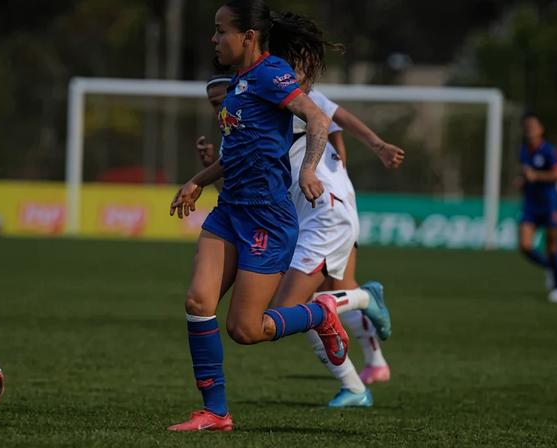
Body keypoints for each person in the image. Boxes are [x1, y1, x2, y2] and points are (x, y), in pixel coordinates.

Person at [194, 25, 404, 409]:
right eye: (213, 104)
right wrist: (208, 172)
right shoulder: (241, 127)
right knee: (310, 302)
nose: (219, 107)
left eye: (221, 98)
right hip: (304, 217)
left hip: (325, 214)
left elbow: (332, 117)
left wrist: (374, 145)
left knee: (288, 310)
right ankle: (359, 380)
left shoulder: (280, 92)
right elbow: (241, 187)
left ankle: (362, 303)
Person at [167, 1, 346, 432]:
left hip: (267, 218)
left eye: (221, 30)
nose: (214, 39)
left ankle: (320, 313)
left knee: (245, 329)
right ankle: (216, 413)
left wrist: (307, 169)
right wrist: (198, 181)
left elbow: (318, 119)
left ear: (248, 36)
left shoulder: (270, 73)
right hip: (229, 211)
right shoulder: (238, 82)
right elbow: (236, 152)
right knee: (197, 302)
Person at [517, 112, 557, 303]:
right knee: (524, 245)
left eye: (533, 125)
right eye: (527, 126)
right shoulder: (523, 151)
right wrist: (522, 181)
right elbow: (528, 176)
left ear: (540, 129)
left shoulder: (549, 151)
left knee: (552, 245)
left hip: (549, 203)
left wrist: (536, 176)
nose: (529, 129)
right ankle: (549, 266)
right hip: (531, 204)